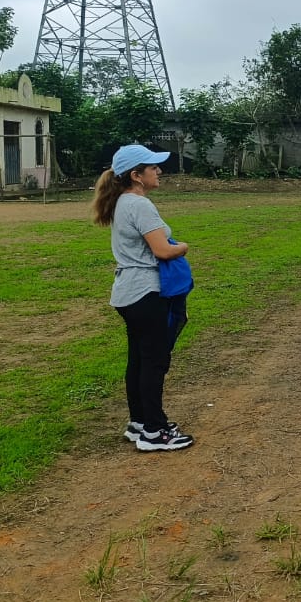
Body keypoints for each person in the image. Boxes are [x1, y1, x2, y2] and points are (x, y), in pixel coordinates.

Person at [92, 144, 195, 452]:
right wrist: (183, 247)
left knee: (139, 359)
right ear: (136, 175)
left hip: (128, 293)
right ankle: (154, 431)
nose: (159, 171)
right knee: (154, 361)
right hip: (146, 292)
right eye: (153, 167)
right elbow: (162, 251)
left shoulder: (122, 202)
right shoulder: (139, 205)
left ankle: (139, 421)